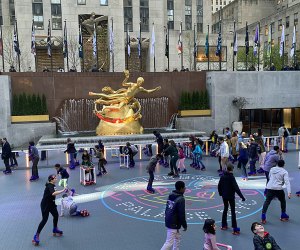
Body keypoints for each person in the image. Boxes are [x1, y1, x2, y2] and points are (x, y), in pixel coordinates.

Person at [89, 70, 161, 110]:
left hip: (126, 99)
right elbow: (123, 84)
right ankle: (94, 94)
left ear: (142, 83)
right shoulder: (132, 84)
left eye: (141, 82)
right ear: (137, 81)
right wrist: (126, 77)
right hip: (123, 94)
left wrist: (155, 89)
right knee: (109, 96)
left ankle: (104, 106)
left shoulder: (140, 89)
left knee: (116, 106)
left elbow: (148, 91)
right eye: (139, 81)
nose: (139, 83)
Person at [32, 174, 66, 246]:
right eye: (55, 178)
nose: (56, 179)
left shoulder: (53, 185)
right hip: (45, 205)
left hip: (51, 204)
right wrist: (63, 190)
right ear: (51, 179)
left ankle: (55, 228)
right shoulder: (50, 185)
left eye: (56, 177)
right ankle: (36, 235)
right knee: (44, 220)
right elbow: (53, 193)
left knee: (56, 215)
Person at [218, 164, 246, 235]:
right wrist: (242, 197)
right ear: (232, 170)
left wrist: (221, 193)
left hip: (224, 196)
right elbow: (236, 188)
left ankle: (224, 225)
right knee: (233, 211)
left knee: (225, 208)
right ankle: (235, 228)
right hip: (231, 196)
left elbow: (219, 185)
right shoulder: (231, 177)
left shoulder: (223, 176)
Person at [261, 160, 291, 224]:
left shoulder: (272, 169)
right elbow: (287, 183)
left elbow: (269, 177)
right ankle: (283, 215)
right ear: (283, 165)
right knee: (282, 200)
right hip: (278, 188)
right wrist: (289, 192)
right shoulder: (284, 172)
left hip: (270, 187)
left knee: (267, 201)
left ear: (277, 164)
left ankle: (263, 216)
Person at [161, 181, 187, 250]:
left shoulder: (171, 194)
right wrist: (184, 224)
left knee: (177, 238)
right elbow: (181, 213)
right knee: (169, 243)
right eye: (184, 187)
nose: (185, 188)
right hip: (174, 222)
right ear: (181, 188)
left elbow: (167, 207)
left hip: (170, 220)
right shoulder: (181, 199)